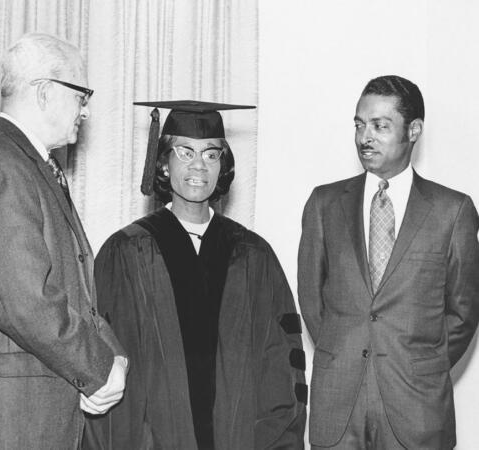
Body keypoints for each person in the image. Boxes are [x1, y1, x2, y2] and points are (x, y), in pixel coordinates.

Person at [83, 100, 307, 449]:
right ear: (163, 163)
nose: (199, 165)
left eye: (211, 154)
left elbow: (281, 367)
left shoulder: (254, 256)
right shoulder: (125, 253)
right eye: (185, 152)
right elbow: (106, 362)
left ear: (223, 166)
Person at [0, 33, 128, 450]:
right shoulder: (2, 167)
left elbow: (75, 293)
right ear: (45, 92)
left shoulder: (28, 166)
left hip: (31, 415)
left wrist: (115, 356)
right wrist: (99, 369)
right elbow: (27, 304)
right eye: (81, 94)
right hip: (10, 420)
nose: (85, 108)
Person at [298, 75, 479, 449]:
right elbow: (312, 300)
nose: (366, 137)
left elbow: (464, 312)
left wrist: (420, 363)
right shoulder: (324, 204)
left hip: (417, 409)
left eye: (380, 126)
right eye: (360, 125)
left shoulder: (453, 211)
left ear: (414, 130)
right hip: (338, 405)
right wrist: (343, 350)